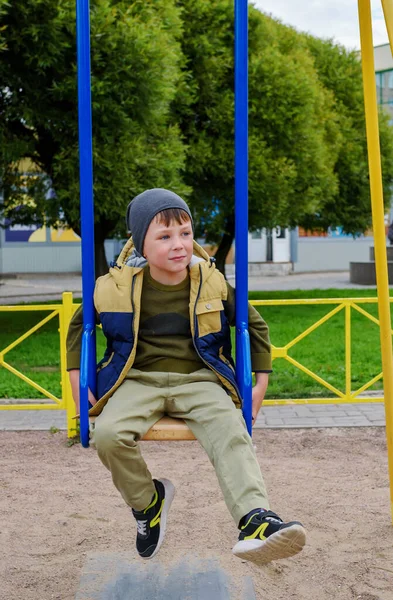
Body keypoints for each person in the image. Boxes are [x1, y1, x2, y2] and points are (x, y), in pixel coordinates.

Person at [66, 188, 306, 566]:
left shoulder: (210, 281)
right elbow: (79, 329)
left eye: (185, 233)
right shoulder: (114, 285)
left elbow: (253, 325)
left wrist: (259, 385)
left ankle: (256, 520)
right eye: (164, 236)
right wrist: (78, 386)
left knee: (231, 430)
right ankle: (149, 504)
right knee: (109, 437)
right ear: (141, 245)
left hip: (200, 379)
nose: (179, 245)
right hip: (137, 378)